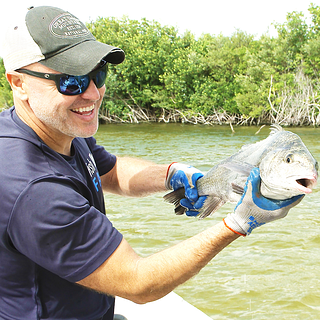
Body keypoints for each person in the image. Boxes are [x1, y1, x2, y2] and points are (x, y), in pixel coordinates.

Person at [0, 6, 303, 320]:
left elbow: (110, 171)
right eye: (70, 82)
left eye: (97, 73)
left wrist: (171, 174)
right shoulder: (33, 189)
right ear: (19, 83)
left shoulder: (56, 125)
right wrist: (238, 223)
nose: (92, 93)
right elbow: (138, 283)